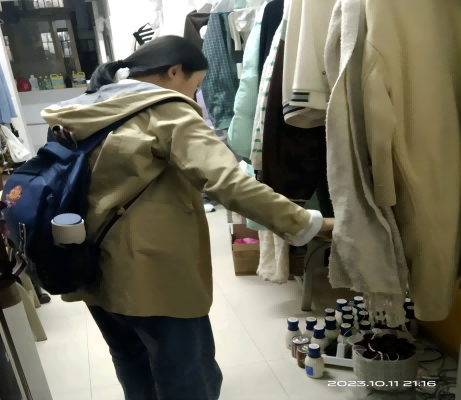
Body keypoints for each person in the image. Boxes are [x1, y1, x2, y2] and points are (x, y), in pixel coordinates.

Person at [41, 36, 334, 400]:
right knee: (187, 379)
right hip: (154, 277)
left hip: (88, 268)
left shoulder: (80, 110)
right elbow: (228, 183)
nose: (195, 97)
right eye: (196, 86)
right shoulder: (167, 111)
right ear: (175, 71)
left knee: (132, 365)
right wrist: (308, 223)